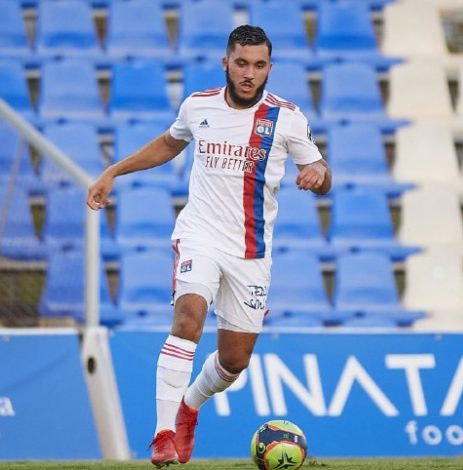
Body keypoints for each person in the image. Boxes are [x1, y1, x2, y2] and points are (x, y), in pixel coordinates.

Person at [86, 25, 331, 468]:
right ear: (226, 63)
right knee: (188, 320)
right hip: (199, 235)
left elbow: (320, 169)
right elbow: (168, 143)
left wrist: (319, 176)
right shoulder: (198, 105)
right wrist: (114, 172)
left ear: (269, 68)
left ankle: (190, 406)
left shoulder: (287, 118)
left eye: (259, 66)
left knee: (234, 361)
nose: (249, 74)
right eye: (241, 63)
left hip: (251, 252)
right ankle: (162, 435)